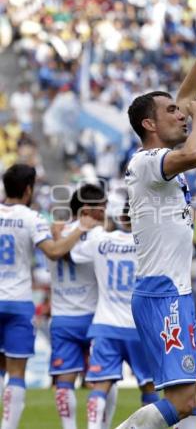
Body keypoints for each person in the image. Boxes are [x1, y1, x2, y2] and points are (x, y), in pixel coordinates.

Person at [116, 0, 196, 429]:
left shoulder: (157, 155)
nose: (180, 113)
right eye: (171, 112)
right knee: (178, 402)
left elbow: (187, 93)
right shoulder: (148, 163)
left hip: (175, 289)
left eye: (181, 111)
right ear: (149, 124)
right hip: (161, 294)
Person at [0, 164, 97, 429]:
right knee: (16, 372)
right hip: (18, 301)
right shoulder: (32, 218)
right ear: (29, 189)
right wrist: (79, 229)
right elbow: (54, 252)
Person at [70, 201, 159, 429]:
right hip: (139, 326)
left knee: (100, 386)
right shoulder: (149, 245)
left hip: (105, 324)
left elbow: (75, 253)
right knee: (149, 387)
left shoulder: (100, 239)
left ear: (122, 218)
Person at [48, 183, 117, 429]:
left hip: (62, 316)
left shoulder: (55, 232)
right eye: (104, 207)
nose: (107, 211)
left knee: (64, 381)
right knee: (104, 378)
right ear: (90, 210)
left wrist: (60, 235)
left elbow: (57, 251)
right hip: (94, 316)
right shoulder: (99, 235)